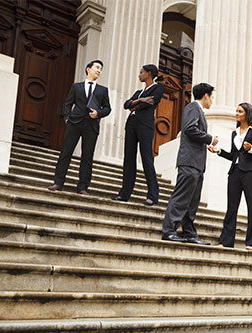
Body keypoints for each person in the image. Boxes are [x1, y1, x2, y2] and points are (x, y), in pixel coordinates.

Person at [162, 82, 218, 244]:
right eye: (212, 97)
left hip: (197, 163)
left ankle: (188, 232)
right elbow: (190, 129)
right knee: (181, 197)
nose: (212, 101)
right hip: (189, 161)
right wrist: (210, 138)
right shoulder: (193, 108)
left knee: (192, 200)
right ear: (206, 95)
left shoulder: (198, 110)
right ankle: (169, 230)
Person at [48, 59, 111, 195]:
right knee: (66, 153)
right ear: (88, 69)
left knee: (87, 157)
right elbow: (68, 103)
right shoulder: (76, 86)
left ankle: (83, 187)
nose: (99, 70)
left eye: (101, 69)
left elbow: (107, 108)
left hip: (91, 126)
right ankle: (58, 183)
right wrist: (67, 118)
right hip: (74, 123)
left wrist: (98, 113)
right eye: (97, 67)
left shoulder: (103, 90)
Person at [209, 102, 252, 249]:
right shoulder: (234, 133)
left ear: (247, 113)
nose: (236, 114)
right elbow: (233, 155)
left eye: (240, 111)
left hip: (251, 172)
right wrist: (219, 151)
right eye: (236, 111)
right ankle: (226, 242)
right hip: (235, 172)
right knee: (231, 207)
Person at [112, 64, 164, 206]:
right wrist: (140, 100)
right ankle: (124, 194)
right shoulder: (138, 92)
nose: (139, 75)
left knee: (147, 158)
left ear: (149, 73)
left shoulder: (158, 88)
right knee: (129, 159)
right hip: (131, 125)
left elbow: (151, 103)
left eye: (141, 72)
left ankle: (153, 196)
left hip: (145, 126)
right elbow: (126, 105)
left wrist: (135, 105)